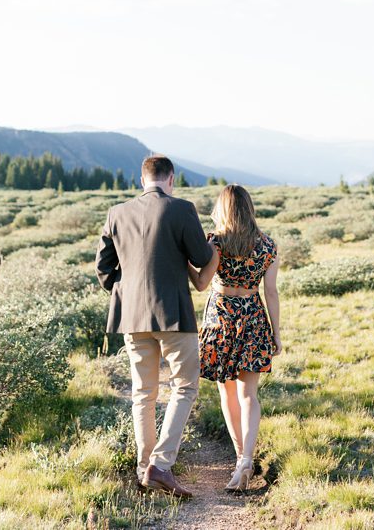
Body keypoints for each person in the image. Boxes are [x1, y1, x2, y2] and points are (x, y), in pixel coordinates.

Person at [95, 155, 217, 498]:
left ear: (141, 180)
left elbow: (104, 269)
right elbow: (202, 260)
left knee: (143, 394)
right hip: (174, 313)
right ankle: (161, 466)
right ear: (171, 179)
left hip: (132, 316)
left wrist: (127, 291)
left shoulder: (117, 213)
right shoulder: (182, 209)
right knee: (184, 387)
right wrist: (212, 244)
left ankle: (143, 467)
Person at [188, 184, 282, 492]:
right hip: (254, 318)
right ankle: (246, 461)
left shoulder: (214, 243)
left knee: (227, 393)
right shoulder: (267, 245)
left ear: (223, 209)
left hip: (221, 319)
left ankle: (241, 457)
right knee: (249, 395)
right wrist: (275, 334)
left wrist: (187, 264)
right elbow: (271, 292)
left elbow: (202, 283)